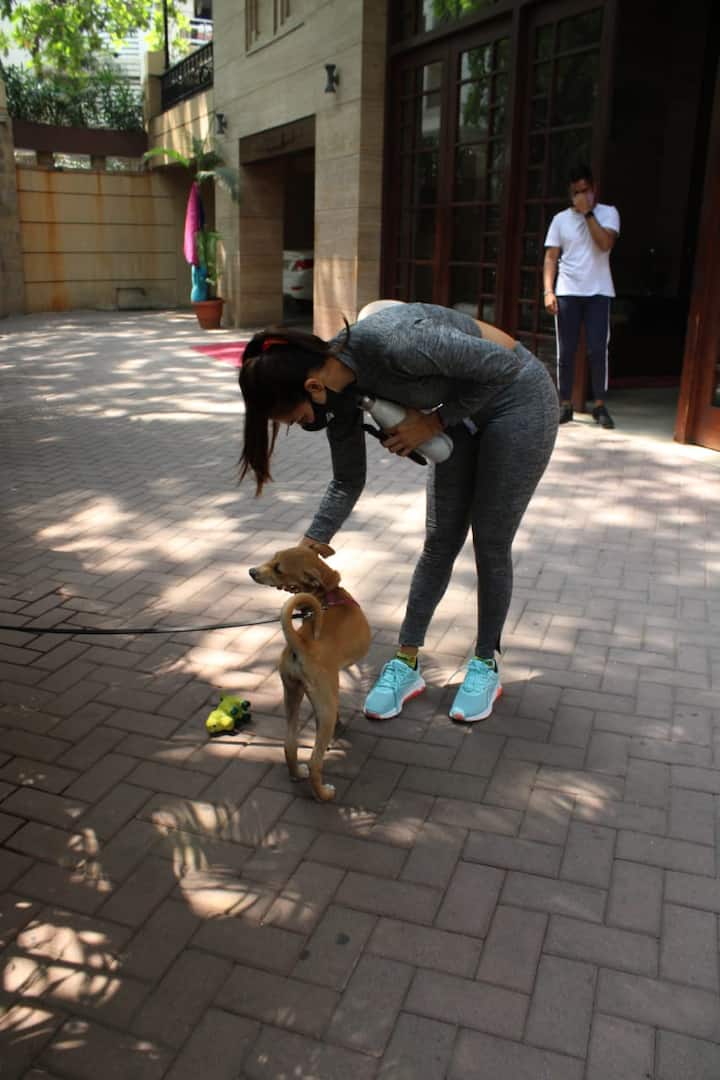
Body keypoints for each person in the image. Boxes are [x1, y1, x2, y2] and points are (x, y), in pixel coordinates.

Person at [239, 301, 558, 724]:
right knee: (440, 539)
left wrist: (434, 422)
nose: (297, 424)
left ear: (313, 387)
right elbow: (347, 480)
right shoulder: (340, 395)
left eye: (292, 417)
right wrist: (309, 547)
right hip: (459, 417)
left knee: (490, 539)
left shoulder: (395, 342)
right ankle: (407, 663)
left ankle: (486, 662)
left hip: (518, 401)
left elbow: (504, 368)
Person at [543, 163, 620, 429]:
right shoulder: (560, 220)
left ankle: (599, 405)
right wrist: (548, 291)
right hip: (567, 292)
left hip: (599, 291)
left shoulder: (608, 214)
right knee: (566, 351)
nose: (580, 196)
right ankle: (565, 404)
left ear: (593, 189)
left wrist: (588, 215)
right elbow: (551, 257)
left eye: (585, 191)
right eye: (576, 192)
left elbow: (605, 243)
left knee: (598, 349)